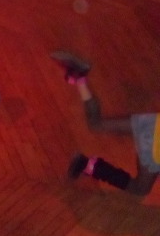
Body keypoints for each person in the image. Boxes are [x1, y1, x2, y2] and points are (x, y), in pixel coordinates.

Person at [53, 50, 159, 196]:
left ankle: (80, 77)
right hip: (154, 146)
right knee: (140, 189)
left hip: (152, 124)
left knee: (96, 123)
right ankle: (86, 165)